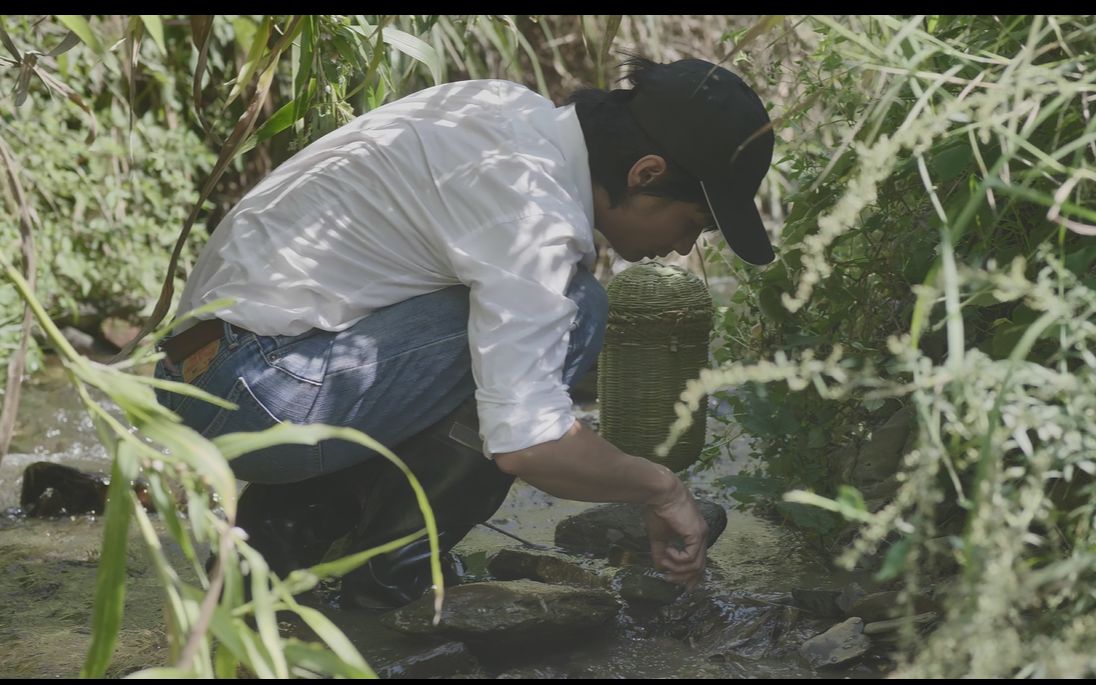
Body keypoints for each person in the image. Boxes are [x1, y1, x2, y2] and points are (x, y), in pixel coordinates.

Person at [153, 55, 776, 608]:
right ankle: (390, 583)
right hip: (259, 389)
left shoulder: (502, 108)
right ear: (644, 174)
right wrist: (662, 489)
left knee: (527, 327)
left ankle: (270, 550)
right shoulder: (533, 216)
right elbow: (527, 444)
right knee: (576, 310)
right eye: (693, 221)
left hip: (208, 369)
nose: (683, 247)